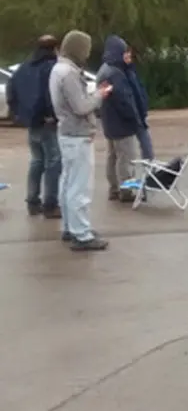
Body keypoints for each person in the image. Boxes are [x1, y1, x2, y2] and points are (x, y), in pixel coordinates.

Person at [49, 30, 113, 251]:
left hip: (66, 132)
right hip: (77, 135)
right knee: (80, 187)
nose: (86, 55)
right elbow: (81, 106)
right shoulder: (69, 74)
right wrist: (100, 95)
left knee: (67, 183)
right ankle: (82, 234)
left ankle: (70, 227)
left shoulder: (58, 69)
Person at [6, 35, 62, 218]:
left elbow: (11, 90)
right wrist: (52, 115)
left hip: (31, 122)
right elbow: (50, 94)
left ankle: (32, 201)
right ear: (54, 49)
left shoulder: (24, 67)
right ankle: (50, 203)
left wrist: (18, 113)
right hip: (47, 122)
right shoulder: (50, 67)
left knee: (37, 160)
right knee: (53, 162)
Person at [97, 35, 143, 202]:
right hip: (121, 123)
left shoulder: (104, 70)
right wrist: (134, 118)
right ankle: (126, 190)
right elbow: (123, 99)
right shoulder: (116, 73)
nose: (127, 56)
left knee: (113, 156)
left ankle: (114, 188)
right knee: (126, 157)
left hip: (109, 122)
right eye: (125, 53)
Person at [124, 54, 154, 160]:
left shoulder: (132, 71)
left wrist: (144, 106)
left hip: (139, 113)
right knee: (141, 143)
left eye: (129, 55)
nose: (129, 57)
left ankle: (149, 166)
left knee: (146, 144)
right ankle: (148, 165)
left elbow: (139, 91)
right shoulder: (122, 74)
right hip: (133, 114)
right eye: (126, 55)